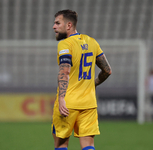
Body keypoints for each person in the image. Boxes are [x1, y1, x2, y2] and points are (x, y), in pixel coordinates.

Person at [52, 9, 112, 150]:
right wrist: (94, 84)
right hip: (89, 104)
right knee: (88, 145)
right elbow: (107, 70)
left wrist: (61, 99)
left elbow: (64, 71)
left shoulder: (65, 44)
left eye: (57, 23)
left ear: (68, 25)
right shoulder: (92, 42)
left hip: (68, 103)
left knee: (61, 144)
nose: (54, 26)